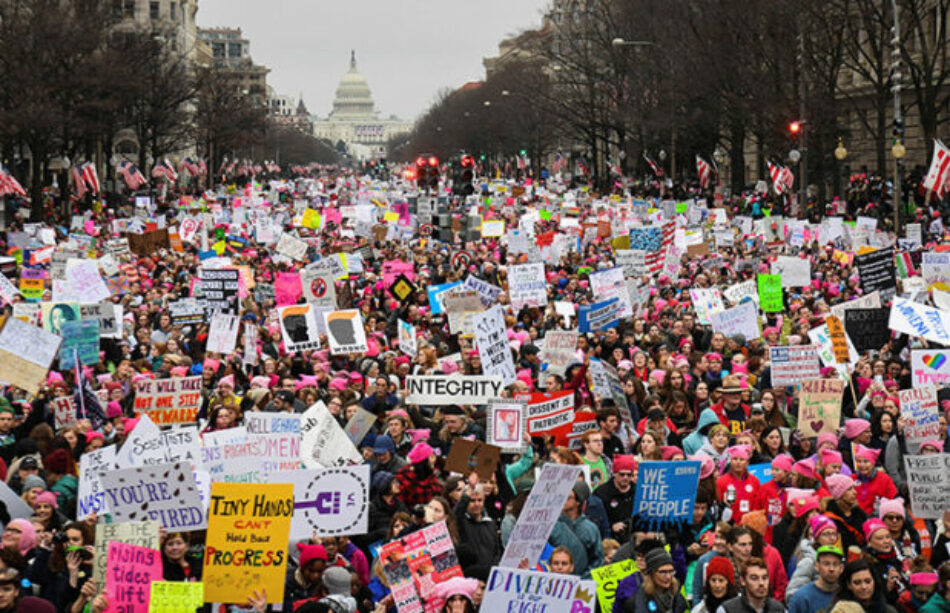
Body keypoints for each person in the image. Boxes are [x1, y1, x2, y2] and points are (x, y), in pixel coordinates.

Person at [547, 481, 603, 577]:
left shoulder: (591, 528)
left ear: (578, 502)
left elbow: (597, 560)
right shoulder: (551, 526)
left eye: (568, 497)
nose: (563, 500)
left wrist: (585, 578)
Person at [624, 548, 687, 613]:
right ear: (651, 574)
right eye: (663, 572)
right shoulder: (637, 601)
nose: (668, 577)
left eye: (671, 571)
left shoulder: (676, 596)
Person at [715, 557, 785, 613]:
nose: (761, 583)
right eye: (754, 578)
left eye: (764, 578)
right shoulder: (728, 610)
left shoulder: (779, 609)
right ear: (743, 581)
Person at [787, 546, 845, 613]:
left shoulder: (845, 595)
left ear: (841, 568)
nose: (831, 569)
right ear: (816, 566)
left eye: (835, 564)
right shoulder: (802, 597)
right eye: (826, 564)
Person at [592, 455, 636, 542]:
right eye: (622, 474)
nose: (625, 478)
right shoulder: (602, 493)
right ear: (615, 473)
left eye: (629, 475)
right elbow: (595, 521)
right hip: (611, 540)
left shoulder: (638, 491)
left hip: (633, 537)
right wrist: (612, 526)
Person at [832, 558, 897, 613]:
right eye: (857, 583)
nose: (864, 587)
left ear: (874, 581)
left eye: (868, 581)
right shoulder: (840, 609)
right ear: (849, 585)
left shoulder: (888, 610)